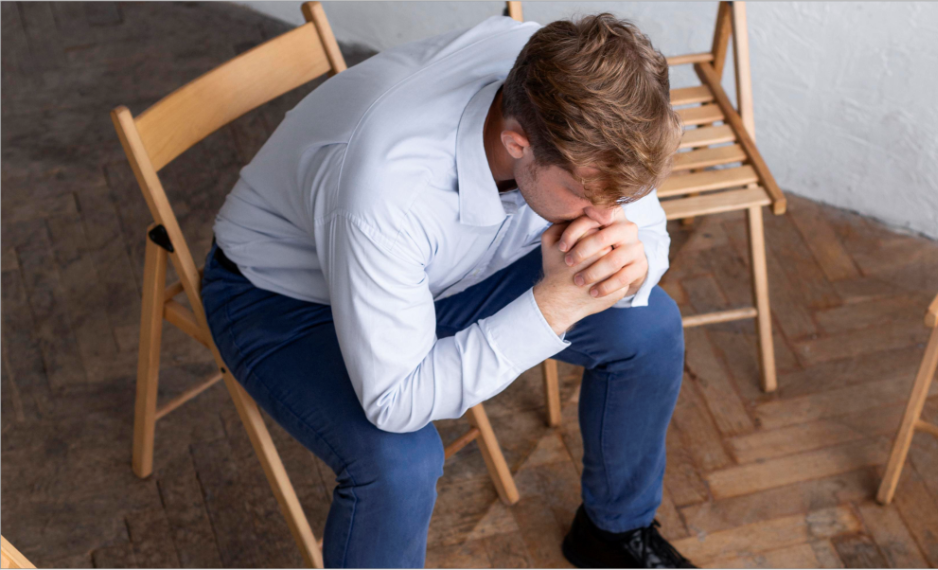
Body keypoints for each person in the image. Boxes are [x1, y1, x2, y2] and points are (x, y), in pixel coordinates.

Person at [202, 10, 693, 568]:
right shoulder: (388, 189)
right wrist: (552, 307)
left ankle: (611, 533)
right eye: (587, 197)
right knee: (399, 467)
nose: (607, 216)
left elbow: (644, 227)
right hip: (283, 299)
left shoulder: (576, 93)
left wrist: (636, 260)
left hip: (447, 273)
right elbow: (395, 399)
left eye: (620, 195)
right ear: (518, 143)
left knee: (649, 326)